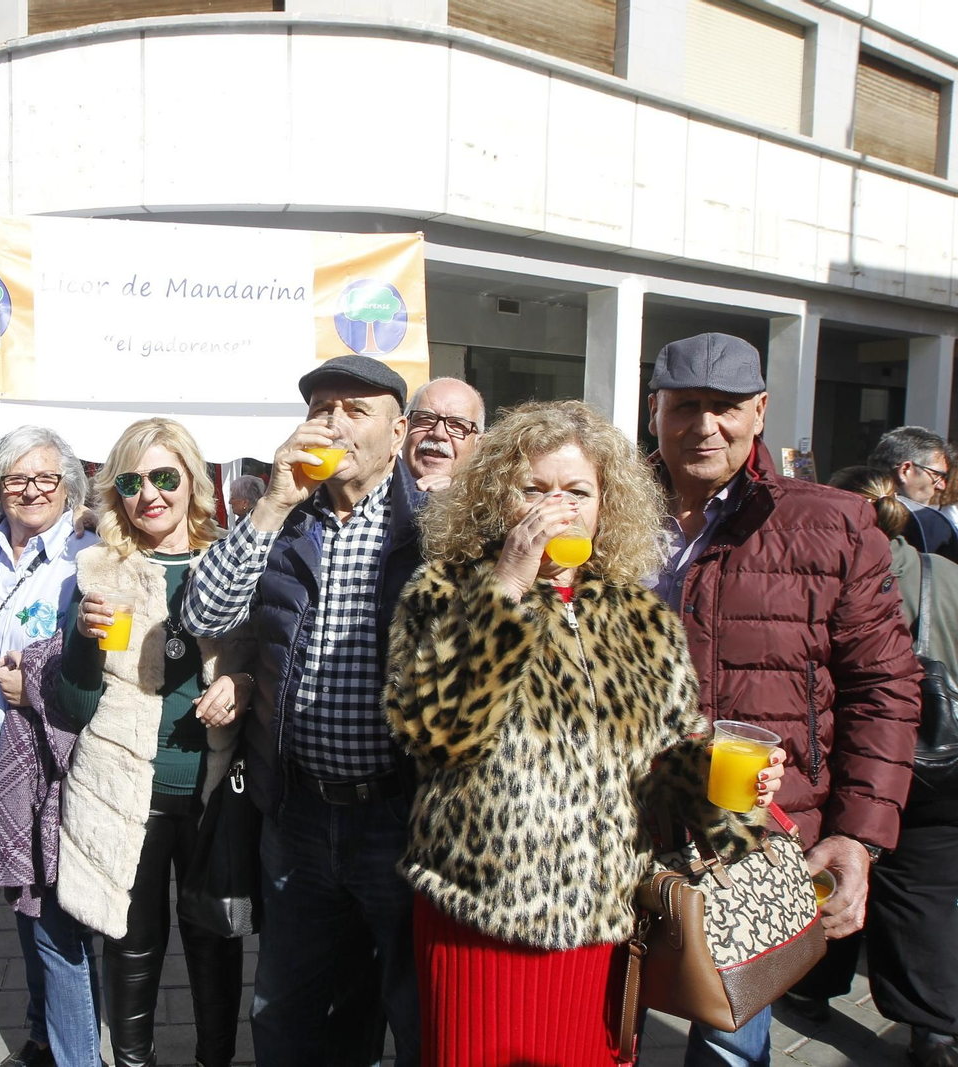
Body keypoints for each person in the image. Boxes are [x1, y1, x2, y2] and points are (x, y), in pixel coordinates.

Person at [384, 400, 785, 1065]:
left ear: (606, 504)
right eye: (534, 489)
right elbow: (432, 729)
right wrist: (508, 584)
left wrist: (724, 778)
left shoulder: (637, 615)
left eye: (576, 490)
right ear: (497, 497)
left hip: (599, 919)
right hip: (482, 917)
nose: (557, 507)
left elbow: (669, 757)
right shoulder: (445, 591)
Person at [640, 333, 922, 1067]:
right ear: (655, 412)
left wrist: (858, 839)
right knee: (605, 1022)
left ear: (760, 411)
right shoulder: (608, 513)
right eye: (687, 406)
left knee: (732, 1039)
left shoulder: (830, 523)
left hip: (754, 835)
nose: (706, 426)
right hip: (617, 823)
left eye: (727, 407)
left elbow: (885, 688)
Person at [184, 354, 424, 1067]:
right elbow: (205, 609)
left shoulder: (433, 527)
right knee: (288, 1014)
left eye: (357, 410)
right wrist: (273, 503)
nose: (335, 423)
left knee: (411, 1010)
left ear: (399, 430)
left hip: (399, 817)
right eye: (323, 408)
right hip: (298, 815)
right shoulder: (286, 521)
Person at [53, 416, 253, 1067]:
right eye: (133, 482)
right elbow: (76, 705)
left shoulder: (231, 564)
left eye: (165, 477)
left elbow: (266, 670)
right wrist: (83, 639)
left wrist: (243, 682)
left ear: (191, 480)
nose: (150, 495)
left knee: (215, 939)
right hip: (124, 796)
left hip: (211, 789)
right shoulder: (100, 572)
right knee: (132, 945)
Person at [0, 425, 98, 1067]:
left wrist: (34, 680)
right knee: (26, 901)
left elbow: (101, 666)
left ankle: (76, 1053)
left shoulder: (86, 556)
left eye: (47, 478)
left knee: (55, 924)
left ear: (69, 487)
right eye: (17, 479)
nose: (32, 490)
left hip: (48, 770)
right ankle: (44, 1033)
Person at [823, 466, 958, 1067]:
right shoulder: (947, 574)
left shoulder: (841, 576)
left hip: (868, 760)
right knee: (926, 891)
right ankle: (934, 1031)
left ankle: (810, 984)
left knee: (828, 869)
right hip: (947, 763)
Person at [867, 426, 958, 563]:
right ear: (905, 470)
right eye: (937, 475)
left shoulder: (833, 506)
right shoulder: (929, 523)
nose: (941, 486)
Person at [403, 377, 486, 492]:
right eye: (426, 418)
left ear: (479, 445)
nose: (438, 433)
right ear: (402, 430)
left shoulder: (496, 506)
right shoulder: (373, 495)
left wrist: (459, 496)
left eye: (457, 425)